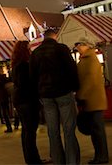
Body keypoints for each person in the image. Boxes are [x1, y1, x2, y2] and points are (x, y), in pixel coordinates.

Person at [30, 29, 80, 165]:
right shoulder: (62, 49)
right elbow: (72, 69)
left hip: (46, 96)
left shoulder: (35, 53)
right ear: (55, 36)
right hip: (63, 92)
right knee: (69, 130)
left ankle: (58, 161)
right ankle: (72, 161)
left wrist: (38, 94)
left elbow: (33, 77)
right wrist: (75, 88)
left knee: (53, 131)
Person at [74, 37, 109, 164]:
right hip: (90, 100)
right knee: (95, 131)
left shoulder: (91, 60)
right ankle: (99, 155)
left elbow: (90, 80)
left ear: (85, 45)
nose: (77, 48)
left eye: (78, 45)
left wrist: (81, 95)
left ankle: (102, 156)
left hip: (94, 100)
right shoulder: (84, 60)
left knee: (97, 131)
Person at [11, 40, 43, 165]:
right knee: (30, 131)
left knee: (26, 131)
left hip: (20, 101)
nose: (30, 51)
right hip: (27, 101)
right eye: (28, 49)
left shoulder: (16, 65)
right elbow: (27, 84)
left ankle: (31, 158)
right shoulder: (24, 65)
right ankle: (33, 159)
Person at [0, 66, 13, 133]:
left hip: (1, 97)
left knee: (4, 111)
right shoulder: (4, 78)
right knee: (6, 111)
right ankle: (9, 124)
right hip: (5, 96)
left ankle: (8, 126)